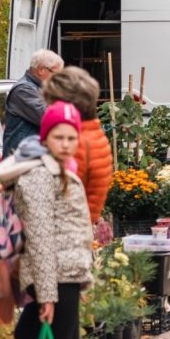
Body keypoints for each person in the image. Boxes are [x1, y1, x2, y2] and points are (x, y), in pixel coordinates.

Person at [0, 101, 93, 339]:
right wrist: (48, 296)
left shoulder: (59, 168)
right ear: (45, 137)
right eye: (58, 137)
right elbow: (41, 237)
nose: (65, 143)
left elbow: (71, 228)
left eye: (71, 137)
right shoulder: (41, 175)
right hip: (56, 277)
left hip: (66, 275)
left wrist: (79, 282)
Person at [42, 67, 112, 224]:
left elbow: (61, 193)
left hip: (67, 227)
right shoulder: (95, 132)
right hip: (83, 224)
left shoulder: (76, 141)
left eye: (52, 101)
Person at [3, 49, 64, 156]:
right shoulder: (23, 90)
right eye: (56, 74)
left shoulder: (39, 89)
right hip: (19, 162)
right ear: (41, 70)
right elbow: (49, 117)